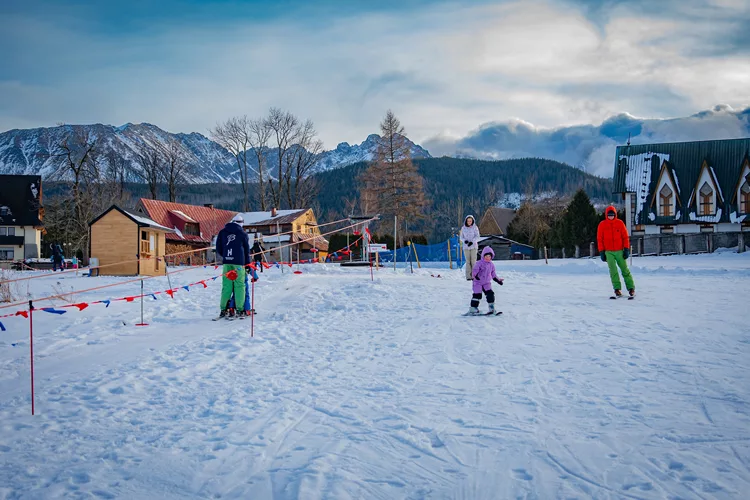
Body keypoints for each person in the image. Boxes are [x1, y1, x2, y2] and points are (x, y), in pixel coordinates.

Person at [215, 214, 251, 319]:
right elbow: (246, 251)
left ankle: (223, 309)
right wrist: (247, 264)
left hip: (227, 262)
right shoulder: (242, 233)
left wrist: (226, 255)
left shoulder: (222, 232)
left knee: (226, 286)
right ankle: (240, 309)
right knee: (239, 286)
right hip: (239, 263)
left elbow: (218, 248)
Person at [597, 206, 635, 298]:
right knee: (613, 271)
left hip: (619, 251)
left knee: (624, 269)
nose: (611, 217)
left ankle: (631, 288)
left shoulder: (620, 223)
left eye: (612, 215)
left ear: (615, 215)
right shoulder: (602, 224)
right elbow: (599, 239)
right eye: (609, 215)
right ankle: (617, 289)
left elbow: (625, 237)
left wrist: (626, 249)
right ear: (606, 215)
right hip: (608, 252)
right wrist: (601, 251)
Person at [466, 246, 504, 315]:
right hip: (478, 282)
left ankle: (491, 308)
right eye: (486, 256)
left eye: (489, 256)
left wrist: (498, 280)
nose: (487, 257)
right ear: (483, 256)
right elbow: (474, 271)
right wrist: (475, 276)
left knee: (490, 294)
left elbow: (493, 274)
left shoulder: (491, 265)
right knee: (477, 295)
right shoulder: (479, 263)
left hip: (486, 283)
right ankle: (473, 308)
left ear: (491, 257)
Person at [459, 215, 480, 280]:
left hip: (473, 246)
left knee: (473, 261)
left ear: (472, 221)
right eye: (468, 221)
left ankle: (474, 275)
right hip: (466, 247)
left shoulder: (475, 227)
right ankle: (468, 276)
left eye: (470, 221)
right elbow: (461, 237)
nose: (469, 222)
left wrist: (472, 241)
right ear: (466, 221)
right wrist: (464, 241)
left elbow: (477, 236)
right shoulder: (463, 228)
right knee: (468, 261)